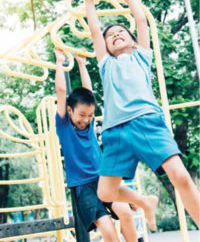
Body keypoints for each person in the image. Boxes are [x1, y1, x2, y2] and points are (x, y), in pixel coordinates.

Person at [81, 0, 200, 228]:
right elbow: (94, 31)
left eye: (120, 32)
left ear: (133, 41)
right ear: (106, 47)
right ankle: (145, 201)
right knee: (105, 193)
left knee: (181, 176)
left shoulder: (141, 56)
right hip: (116, 132)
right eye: (110, 36)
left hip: (147, 121)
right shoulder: (106, 64)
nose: (114, 35)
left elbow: (142, 21)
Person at [54, 48, 158, 242]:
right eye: (81, 115)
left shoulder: (89, 122)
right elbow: (61, 91)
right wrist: (59, 63)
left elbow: (89, 91)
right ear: (69, 110)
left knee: (126, 214)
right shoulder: (64, 125)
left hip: (103, 179)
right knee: (109, 232)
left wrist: (82, 65)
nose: (86, 120)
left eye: (90, 116)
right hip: (84, 186)